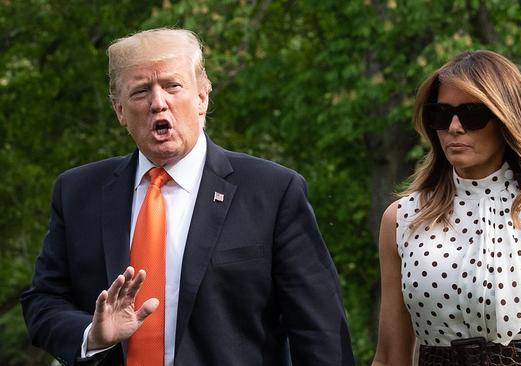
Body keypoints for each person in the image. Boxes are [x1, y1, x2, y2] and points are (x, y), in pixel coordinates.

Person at [21, 28, 355, 366]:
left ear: (202, 98)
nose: (157, 102)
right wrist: (91, 335)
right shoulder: (77, 192)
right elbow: (43, 301)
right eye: (140, 91)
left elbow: (319, 331)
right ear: (120, 110)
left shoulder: (273, 192)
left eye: (172, 85)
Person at [372, 50, 521, 366]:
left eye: (472, 114)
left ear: (506, 118)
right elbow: (389, 357)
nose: (454, 127)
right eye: (441, 114)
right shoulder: (402, 218)